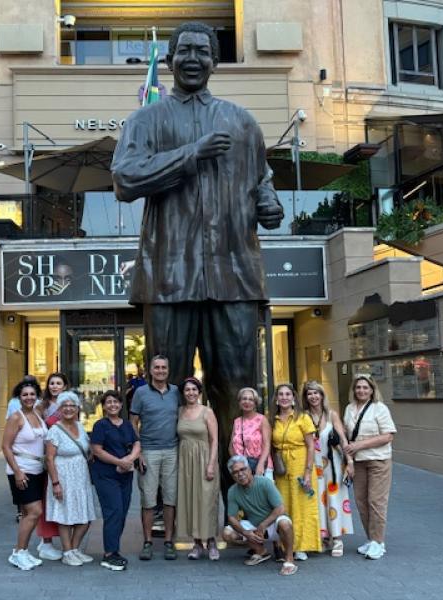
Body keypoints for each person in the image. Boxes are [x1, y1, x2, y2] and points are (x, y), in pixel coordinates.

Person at [111, 21, 284, 485]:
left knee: (237, 386)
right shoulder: (146, 119)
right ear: (169, 60)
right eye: (183, 50)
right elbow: (125, 179)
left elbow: (260, 177)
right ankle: (169, 493)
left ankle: (241, 487)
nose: (192, 58)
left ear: (214, 61)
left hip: (234, 273)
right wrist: (192, 154)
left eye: (201, 51)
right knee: (167, 392)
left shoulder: (242, 121)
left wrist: (268, 201)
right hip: (169, 275)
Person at [130, 354, 181, 561]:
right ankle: (148, 542)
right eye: (156, 367)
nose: (160, 371)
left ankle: (169, 541)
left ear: (168, 370)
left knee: (170, 499)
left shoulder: (176, 392)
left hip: (172, 451)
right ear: (150, 370)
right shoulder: (140, 393)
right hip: (148, 452)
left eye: (164, 367)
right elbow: (133, 422)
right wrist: (138, 451)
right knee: (148, 500)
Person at [344, 374, 396, 560]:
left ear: (372, 390)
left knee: (376, 501)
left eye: (365, 388)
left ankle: (378, 542)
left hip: (378, 460)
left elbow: (388, 436)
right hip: (358, 462)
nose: (362, 391)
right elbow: (347, 435)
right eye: (358, 387)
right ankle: (370, 538)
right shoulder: (349, 409)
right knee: (361, 502)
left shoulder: (379, 409)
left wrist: (359, 445)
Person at [301, 380, 353, 557]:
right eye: (309, 393)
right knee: (317, 501)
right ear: (305, 397)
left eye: (316, 393)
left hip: (333, 464)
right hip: (313, 464)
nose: (313, 396)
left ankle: (337, 538)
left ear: (322, 395)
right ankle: (323, 537)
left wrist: (350, 461)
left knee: (334, 499)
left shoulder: (331, 415)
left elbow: (342, 439)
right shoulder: (303, 416)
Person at [45, 391, 97, 567]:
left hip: (81, 477)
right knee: (65, 515)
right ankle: (67, 552)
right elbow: (49, 458)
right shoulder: (55, 430)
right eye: (64, 406)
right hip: (63, 477)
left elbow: (88, 449)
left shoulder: (80, 426)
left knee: (85, 515)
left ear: (77, 408)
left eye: (72, 406)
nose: (68, 409)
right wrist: (55, 483)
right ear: (59, 409)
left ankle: (74, 549)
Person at [91, 390, 141, 571]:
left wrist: (129, 460)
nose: (112, 405)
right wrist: (119, 462)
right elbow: (97, 450)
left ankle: (115, 549)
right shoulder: (100, 425)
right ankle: (109, 554)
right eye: (108, 402)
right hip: (106, 475)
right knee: (113, 511)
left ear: (121, 405)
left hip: (125, 475)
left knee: (122, 512)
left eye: (116, 402)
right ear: (103, 406)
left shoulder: (127, 424)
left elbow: (136, 443)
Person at [221, 455, 297, 576]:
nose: (240, 474)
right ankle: (261, 551)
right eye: (235, 472)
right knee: (227, 533)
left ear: (250, 469)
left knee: (285, 524)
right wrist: (245, 532)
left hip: (273, 524)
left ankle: (289, 560)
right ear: (232, 476)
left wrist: (264, 524)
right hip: (255, 527)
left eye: (242, 469)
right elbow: (231, 518)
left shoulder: (264, 482)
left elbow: (281, 508)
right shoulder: (233, 491)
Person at [2, 379, 48, 570]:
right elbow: (5, 446)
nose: (29, 398)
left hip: (38, 470)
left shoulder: (38, 413)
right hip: (21, 470)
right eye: (25, 395)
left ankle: (23, 551)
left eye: (32, 394)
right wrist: (18, 472)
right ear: (18, 398)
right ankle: (17, 551)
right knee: (34, 511)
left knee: (29, 514)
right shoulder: (16, 417)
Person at [271, 383, 321, 561]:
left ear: (293, 398)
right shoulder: (273, 419)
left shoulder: (303, 418)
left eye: (288, 394)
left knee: (302, 506)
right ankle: (286, 545)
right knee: (284, 505)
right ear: (276, 398)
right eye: (281, 394)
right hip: (281, 467)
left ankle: (302, 546)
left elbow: (311, 446)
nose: (284, 397)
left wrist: (307, 472)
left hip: (300, 463)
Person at [176, 377, 220, 560]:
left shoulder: (207, 412)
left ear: (199, 392)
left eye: (194, 389)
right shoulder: (180, 411)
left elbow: (214, 440)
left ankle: (211, 542)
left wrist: (211, 464)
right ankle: (196, 543)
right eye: (187, 390)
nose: (191, 393)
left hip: (204, 459)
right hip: (186, 461)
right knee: (190, 501)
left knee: (207, 501)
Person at [35, 372, 70, 561]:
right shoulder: (42, 407)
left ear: (65, 386)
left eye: (59, 383)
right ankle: (46, 540)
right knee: (46, 498)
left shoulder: (70, 404)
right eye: (52, 383)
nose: (55, 386)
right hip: (49, 457)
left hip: (66, 457)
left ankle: (60, 541)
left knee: (61, 498)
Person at [228, 387, 271, 475]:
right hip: (242, 469)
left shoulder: (262, 420)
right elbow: (231, 446)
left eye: (251, 399)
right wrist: (238, 464)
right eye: (244, 399)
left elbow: (267, 445)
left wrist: (261, 464)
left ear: (255, 403)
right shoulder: (237, 421)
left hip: (260, 466)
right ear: (239, 402)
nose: (247, 402)